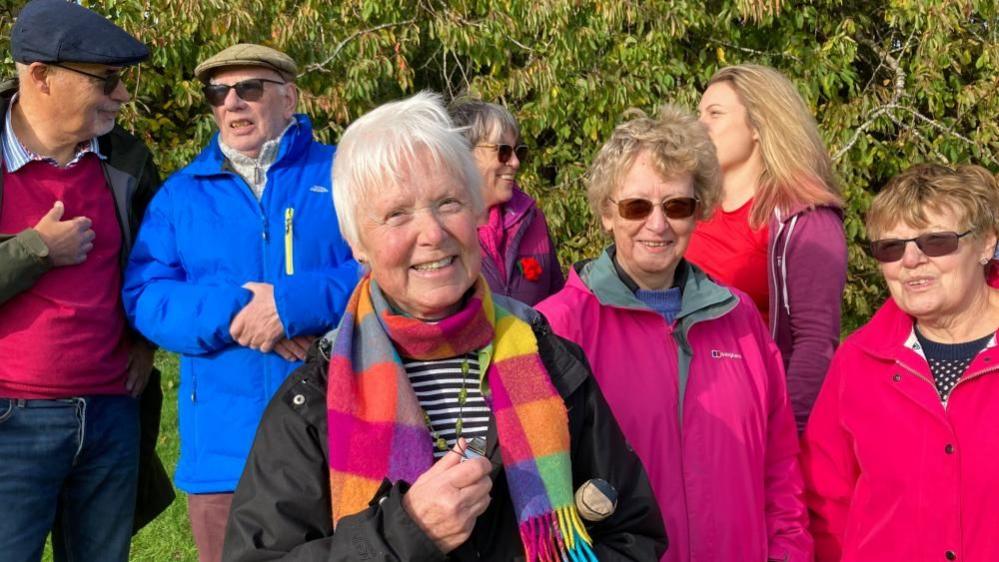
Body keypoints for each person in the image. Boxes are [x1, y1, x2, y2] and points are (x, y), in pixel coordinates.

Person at [221, 92, 666, 561]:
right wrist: (405, 532)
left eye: (448, 202)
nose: (432, 233)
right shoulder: (314, 397)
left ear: (476, 213)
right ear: (356, 243)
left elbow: (633, 532)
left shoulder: (552, 362)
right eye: (397, 214)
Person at [537, 106, 811, 561]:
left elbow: (780, 470)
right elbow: (538, 500)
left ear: (697, 211)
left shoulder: (740, 320)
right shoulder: (559, 328)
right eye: (637, 206)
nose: (658, 224)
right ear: (608, 213)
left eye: (677, 206)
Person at [123, 44, 358, 562]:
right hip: (225, 453)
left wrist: (293, 305)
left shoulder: (346, 175)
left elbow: (384, 270)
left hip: (341, 438)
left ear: (288, 97)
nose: (232, 103)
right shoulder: (180, 195)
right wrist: (242, 313)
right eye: (218, 92)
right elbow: (146, 296)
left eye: (248, 89)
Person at [0, 1, 173, 560]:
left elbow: (160, 265)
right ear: (41, 76)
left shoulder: (127, 160)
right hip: (11, 420)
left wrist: (144, 343)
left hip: (110, 417)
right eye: (107, 80)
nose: (121, 95)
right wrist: (36, 250)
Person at [801, 163, 999, 561]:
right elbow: (826, 505)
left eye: (936, 242)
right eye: (891, 247)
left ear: (986, 244)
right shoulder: (856, 362)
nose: (911, 260)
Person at [688, 63, 847, 431]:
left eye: (715, 114)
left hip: (755, 418)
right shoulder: (688, 208)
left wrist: (783, 435)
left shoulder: (805, 219)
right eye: (699, 113)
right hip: (686, 410)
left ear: (758, 126)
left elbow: (815, 343)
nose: (699, 125)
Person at [449, 99, 564, 305]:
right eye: (503, 151)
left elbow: (558, 304)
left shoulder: (532, 219)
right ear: (463, 155)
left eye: (518, 151)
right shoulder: (440, 230)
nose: (515, 162)